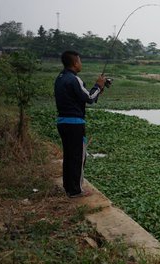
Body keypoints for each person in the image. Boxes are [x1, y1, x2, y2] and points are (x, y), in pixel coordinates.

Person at [54, 50, 106, 198]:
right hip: (75, 124)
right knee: (78, 157)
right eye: (80, 61)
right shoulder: (74, 79)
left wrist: (98, 89)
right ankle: (76, 190)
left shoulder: (60, 78)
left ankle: (69, 187)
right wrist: (98, 85)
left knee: (69, 156)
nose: (81, 63)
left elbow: (79, 98)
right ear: (75, 63)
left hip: (63, 122)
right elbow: (89, 98)